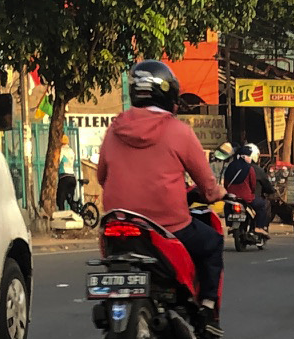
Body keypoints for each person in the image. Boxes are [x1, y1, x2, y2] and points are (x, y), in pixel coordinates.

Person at [96, 60, 226, 315]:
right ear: (169, 95)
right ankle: (208, 307)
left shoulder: (114, 130)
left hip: (117, 224)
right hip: (168, 226)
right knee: (211, 243)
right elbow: (208, 188)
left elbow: (101, 177)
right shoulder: (179, 131)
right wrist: (218, 193)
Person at [223, 142, 273, 235]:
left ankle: (230, 225)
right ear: (244, 156)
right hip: (246, 197)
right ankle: (259, 227)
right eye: (248, 156)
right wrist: (251, 192)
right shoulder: (250, 169)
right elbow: (253, 184)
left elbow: (225, 183)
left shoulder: (230, 166)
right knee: (262, 205)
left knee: (227, 206)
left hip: (231, 197)